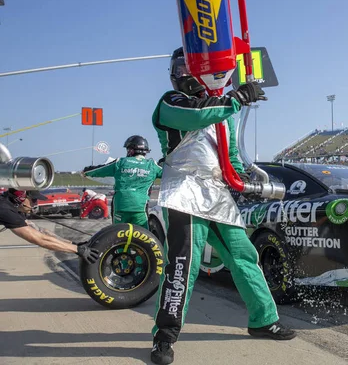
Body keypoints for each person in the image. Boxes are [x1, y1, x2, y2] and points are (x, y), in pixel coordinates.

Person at [149, 47, 295, 365]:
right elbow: (200, 114)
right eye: (185, 69)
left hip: (217, 196)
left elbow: (229, 157)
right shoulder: (170, 103)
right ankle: (164, 338)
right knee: (182, 267)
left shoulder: (223, 111)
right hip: (184, 193)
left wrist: (246, 179)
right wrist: (236, 99)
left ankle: (263, 320)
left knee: (245, 256)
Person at [82, 136, 162, 229]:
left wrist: (85, 171)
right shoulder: (152, 165)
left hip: (120, 206)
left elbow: (99, 170)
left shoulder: (120, 162)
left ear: (130, 150)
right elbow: (168, 173)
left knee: (118, 234)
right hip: (140, 208)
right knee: (143, 237)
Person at [0, 188, 99, 264]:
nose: (36, 203)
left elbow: (40, 231)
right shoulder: (5, 210)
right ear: (21, 198)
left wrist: (74, 244)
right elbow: (39, 239)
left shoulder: (12, 206)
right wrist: (77, 250)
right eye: (33, 200)